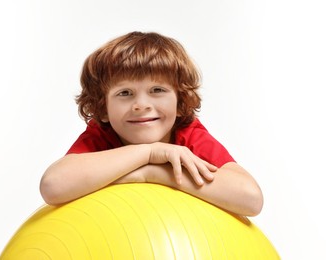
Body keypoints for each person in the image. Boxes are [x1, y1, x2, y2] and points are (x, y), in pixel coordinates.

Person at [40, 31, 263, 216]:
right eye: (125, 93)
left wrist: (151, 173)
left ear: (180, 102)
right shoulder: (101, 135)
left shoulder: (188, 135)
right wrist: (150, 152)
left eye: (157, 90)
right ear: (102, 108)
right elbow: (53, 186)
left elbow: (250, 199)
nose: (141, 105)